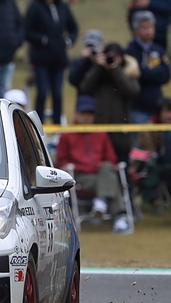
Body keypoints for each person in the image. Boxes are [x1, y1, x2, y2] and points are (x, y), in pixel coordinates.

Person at [55, 96, 131, 234]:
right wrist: (72, 167)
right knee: (111, 180)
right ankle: (119, 217)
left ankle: (101, 202)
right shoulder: (67, 134)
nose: (87, 117)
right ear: (76, 114)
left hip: (101, 174)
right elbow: (61, 160)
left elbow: (111, 158)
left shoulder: (100, 134)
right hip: (79, 176)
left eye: (90, 114)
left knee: (107, 169)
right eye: (84, 114)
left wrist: (102, 166)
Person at [24, 0, 78, 124]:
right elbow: (27, 31)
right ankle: (37, 126)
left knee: (57, 94)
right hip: (41, 58)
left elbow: (73, 28)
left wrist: (68, 41)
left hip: (59, 58)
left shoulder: (63, 7)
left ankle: (56, 128)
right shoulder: (35, 7)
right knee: (42, 92)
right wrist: (43, 40)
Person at [78, 42, 140, 164]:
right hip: (99, 131)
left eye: (116, 57)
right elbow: (84, 88)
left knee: (122, 166)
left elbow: (131, 91)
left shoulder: (128, 73)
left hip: (120, 133)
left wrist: (116, 70)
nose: (112, 60)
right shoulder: (99, 75)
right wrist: (98, 67)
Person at [125, 11, 171, 126]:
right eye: (144, 28)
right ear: (135, 30)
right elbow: (136, 74)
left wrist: (148, 72)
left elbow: (166, 75)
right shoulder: (130, 51)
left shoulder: (159, 49)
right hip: (138, 106)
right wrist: (155, 72)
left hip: (157, 105)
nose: (148, 31)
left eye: (151, 27)